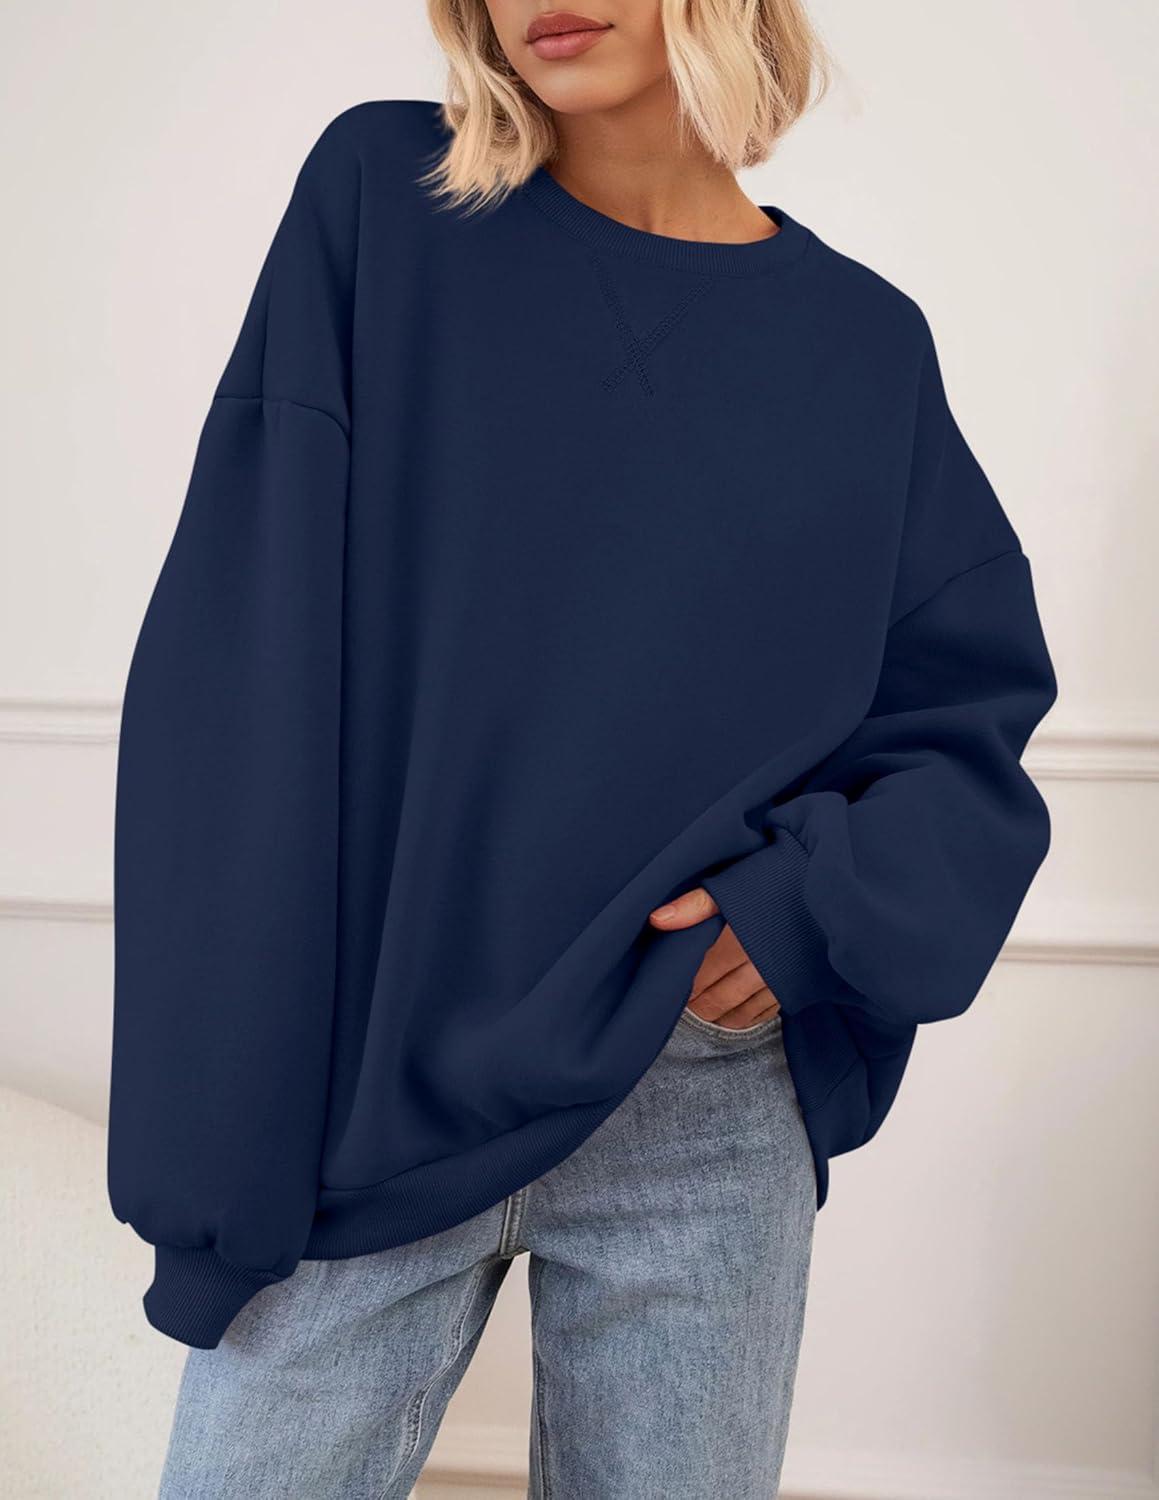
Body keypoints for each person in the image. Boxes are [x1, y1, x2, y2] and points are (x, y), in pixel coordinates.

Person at [108, 2, 1057, 1496]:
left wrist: (798, 907)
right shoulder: (387, 205)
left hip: (696, 1095)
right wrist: (225, 1120)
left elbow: (962, 714)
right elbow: (240, 653)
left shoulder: (864, 344)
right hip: (365, 1078)